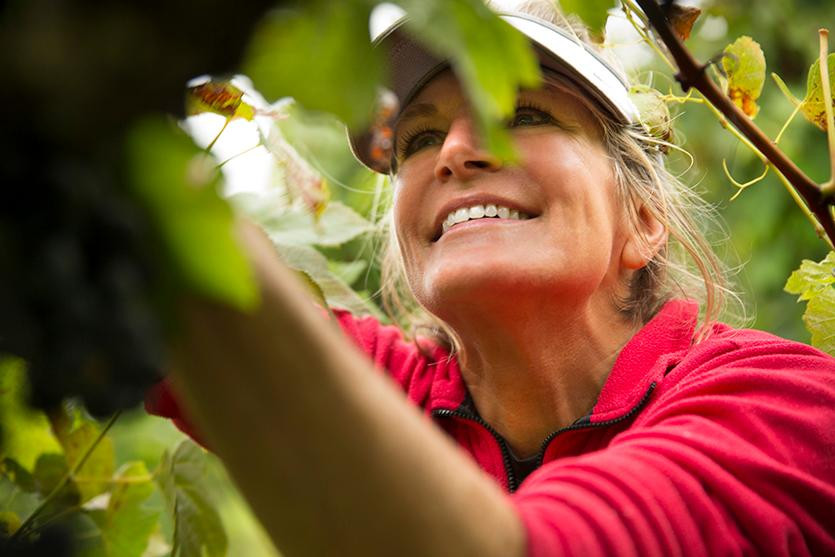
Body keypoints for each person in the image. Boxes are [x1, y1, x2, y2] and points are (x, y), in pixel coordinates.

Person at [146, 2, 835, 555]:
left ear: (644, 219)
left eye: (523, 115)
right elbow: (122, 271)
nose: (453, 151)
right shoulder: (390, 389)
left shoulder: (785, 403)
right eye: (416, 139)